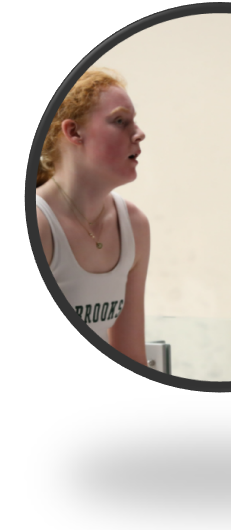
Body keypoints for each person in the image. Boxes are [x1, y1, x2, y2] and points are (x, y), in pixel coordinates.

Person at [36, 67, 150, 366]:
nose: (139, 133)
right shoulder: (39, 223)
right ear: (74, 132)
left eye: (134, 121)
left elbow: (131, 356)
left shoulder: (134, 225)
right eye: (120, 121)